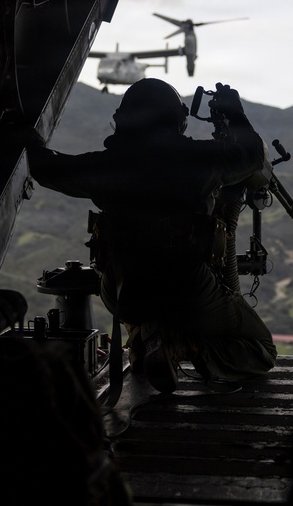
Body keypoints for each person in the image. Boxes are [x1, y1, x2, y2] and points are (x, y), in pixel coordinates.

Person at [22, 77, 278, 393]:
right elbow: (252, 155)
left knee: (125, 278)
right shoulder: (201, 162)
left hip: (122, 293)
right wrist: (234, 112)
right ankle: (181, 347)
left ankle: (145, 339)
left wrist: (21, 128)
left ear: (118, 121)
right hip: (185, 290)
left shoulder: (105, 166)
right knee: (261, 348)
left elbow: (45, 167)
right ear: (181, 122)